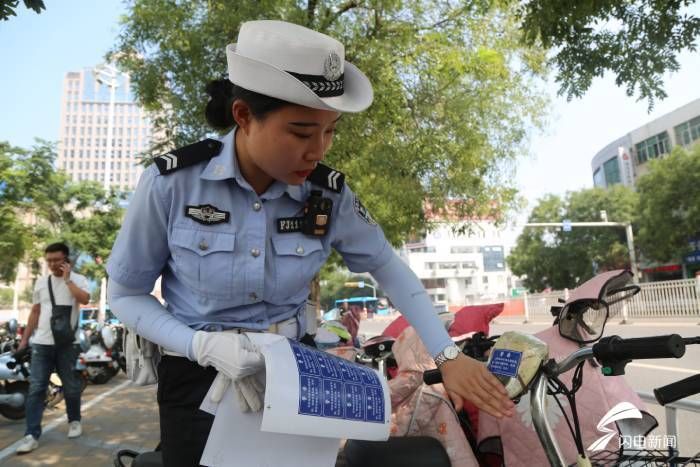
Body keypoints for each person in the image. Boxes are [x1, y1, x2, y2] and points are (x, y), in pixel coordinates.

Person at [106, 19, 515, 466]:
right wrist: (198, 346)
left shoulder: (328, 195)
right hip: (199, 375)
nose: (318, 149)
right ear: (243, 116)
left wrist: (448, 353)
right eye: (301, 133)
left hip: (294, 375)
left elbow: (388, 267)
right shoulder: (172, 185)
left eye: (330, 131)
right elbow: (126, 293)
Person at [16, 242, 90, 454]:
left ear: (66, 260)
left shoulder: (79, 280)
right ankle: (31, 434)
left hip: (68, 344)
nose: (52, 264)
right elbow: (36, 312)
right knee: (37, 388)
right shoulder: (41, 282)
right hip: (41, 343)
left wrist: (67, 280)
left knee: (71, 386)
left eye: (57, 259)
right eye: (49, 260)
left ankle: (74, 420)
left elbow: (84, 300)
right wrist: (24, 341)